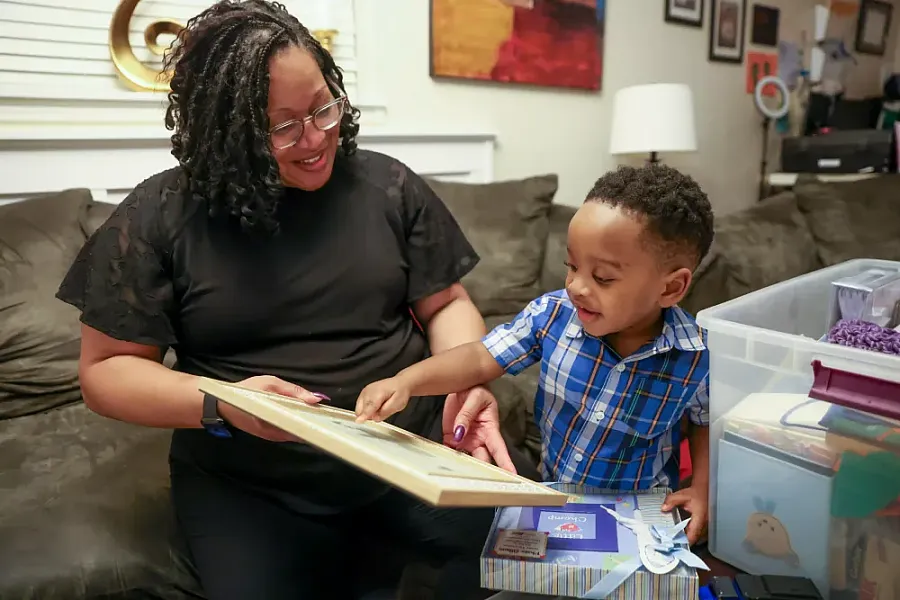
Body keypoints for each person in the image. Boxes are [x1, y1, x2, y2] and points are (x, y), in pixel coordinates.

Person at [56, 2, 514, 599]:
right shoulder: (159, 215)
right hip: (252, 485)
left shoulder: (389, 186)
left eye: (323, 107)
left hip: (412, 453)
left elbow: (446, 304)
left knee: (541, 565)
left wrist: (462, 382)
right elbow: (106, 372)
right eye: (283, 126)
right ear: (227, 130)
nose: (315, 138)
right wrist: (227, 403)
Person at [356, 164, 716, 544]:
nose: (576, 287)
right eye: (572, 266)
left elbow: (705, 420)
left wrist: (701, 488)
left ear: (670, 288)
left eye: (603, 278)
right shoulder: (552, 315)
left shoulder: (697, 356)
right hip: (553, 497)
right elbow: (479, 358)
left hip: (640, 516)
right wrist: (407, 382)